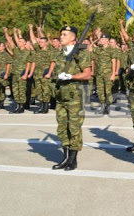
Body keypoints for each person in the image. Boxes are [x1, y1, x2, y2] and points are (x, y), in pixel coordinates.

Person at [51, 25, 92, 171]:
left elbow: (87, 74)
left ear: (73, 37)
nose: (61, 37)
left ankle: (73, 160)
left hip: (75, 96)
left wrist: (71, 76)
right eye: (61, 34)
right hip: (62, 95)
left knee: (74, 127)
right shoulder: (60, 54)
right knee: (62, 127)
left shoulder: (81, 53)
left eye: (64, 34)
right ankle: (65, 157)